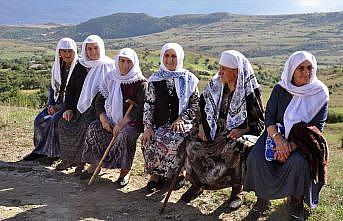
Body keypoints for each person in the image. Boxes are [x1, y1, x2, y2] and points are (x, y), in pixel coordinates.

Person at [244, 51, 329, 221]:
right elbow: (269, 117)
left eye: (310, 68)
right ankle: (262, 199)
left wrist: (291, 146)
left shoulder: (319, 93)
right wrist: (278, 140)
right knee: (257, 157)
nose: (307, 72)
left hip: (304, 142)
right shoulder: (280, 89)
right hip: (274, 134)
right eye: (301, 68)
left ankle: (295, 203)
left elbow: (317, 127)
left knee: (298, 162)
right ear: (291, 70)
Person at [180, 50, 264, 210]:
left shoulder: (249, 92)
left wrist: (243, 131)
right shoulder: (215, 85)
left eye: (224, 69)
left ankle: (237, 191)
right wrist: (203, 127)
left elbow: (258, 124)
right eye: (220, 67)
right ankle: (197, 185)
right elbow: (202, 107)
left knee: (238, 147)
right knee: (193, 145)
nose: (220, 72)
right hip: (213, 132)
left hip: (233, 136)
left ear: (237, 71)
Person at [81, 48, 147, 187]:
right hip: (110, 118)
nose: (124, 65)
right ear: (117, 61)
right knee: (94, 128)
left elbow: (141, 108)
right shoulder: (111, 77)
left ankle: (125, 171)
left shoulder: (140, 83)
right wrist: (103, 119)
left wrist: (123, 122)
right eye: (122, 61)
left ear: (134, 63)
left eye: (129, 62)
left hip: (132, 122)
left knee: (125, 134)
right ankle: (95, 164)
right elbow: (99, 100)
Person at [140, 43, 200, 192]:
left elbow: (196, 104)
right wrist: (147, 127)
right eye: (167, 56)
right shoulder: (154, 79)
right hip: (160, 123)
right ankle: (155, 175)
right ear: (162, 57)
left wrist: (182, 118)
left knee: (176, 140)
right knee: (148, 140)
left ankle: (178, 174)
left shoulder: (189, 79)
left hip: (182, 122)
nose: (170, 60)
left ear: (179, 58)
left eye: (173, 56)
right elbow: (149, 105)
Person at [56, 35, 115, 173]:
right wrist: (68, 108)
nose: (93, 52)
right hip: (79, 108)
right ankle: (70, 159)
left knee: (86, 125)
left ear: (101, 48)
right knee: (64, 124)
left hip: (101, 110)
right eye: (89, 49)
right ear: (85, 50)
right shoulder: (81, 65)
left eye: (96, 48)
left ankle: (83, 161)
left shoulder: (109, 66)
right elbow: (70, 89)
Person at [23, 38, 78, 165]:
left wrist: (60, 108)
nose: (67, 54)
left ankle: (53, 154)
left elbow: (76, 95)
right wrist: (50, 105)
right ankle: (39, 151)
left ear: (75, 51)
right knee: (40, 119)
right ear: (59, 52)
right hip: (56, 102)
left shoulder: (78, 68)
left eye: (70, 51)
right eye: (64, 51)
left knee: (53, 121)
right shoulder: (57, 66)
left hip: (70, 105)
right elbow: (52, 87)